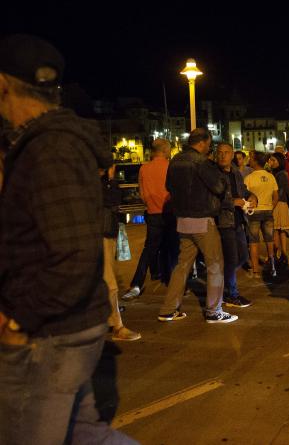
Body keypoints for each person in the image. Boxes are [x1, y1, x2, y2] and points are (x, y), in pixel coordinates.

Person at [0, 34, 135, 443]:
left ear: (3, 85)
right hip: (69, 325)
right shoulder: (51, 144)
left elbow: (73, 252)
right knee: (85, 434)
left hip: (49, 334)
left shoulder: (50, 149)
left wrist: (19, 319)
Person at [158, 127, 238, 324]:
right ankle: (214, 311)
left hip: (182, 220)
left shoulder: (176, 160)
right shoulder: (201, 162)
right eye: (209, 144)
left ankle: (168, 309)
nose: (209, 148)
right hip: (203, 220)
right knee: (215, 264)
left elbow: (168, 186)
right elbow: (219, 186)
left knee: (182, 265)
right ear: (202, 142)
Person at [123, 137, 178, 300]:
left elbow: (141, 194)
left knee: (149, 250)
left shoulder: (143, 169)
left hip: (152, 213)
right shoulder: (171, 167)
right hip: (169, 213)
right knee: (172, 248)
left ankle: (136, 284)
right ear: (165, 150)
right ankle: (173, 282)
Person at [100, 165, 142, 341]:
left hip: (100, 231)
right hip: (99, 232)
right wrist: (110, 180)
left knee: (106, 279)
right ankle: (117, 325)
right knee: (109, 280)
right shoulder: (99, 183)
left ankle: (112, 321)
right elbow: (112, 200)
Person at [216, 142, 256, 307]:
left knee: (242, 257)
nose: (223, 155)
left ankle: (225, 280)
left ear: (232, 155)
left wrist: (252, 197)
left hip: (239, 220)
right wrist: (234, 202)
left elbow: (243, 191)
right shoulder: (214, 174)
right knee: (232, 259)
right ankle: (232, 294)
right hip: (225, 221)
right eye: (220, 152)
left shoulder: (236, 173)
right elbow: (213, 199)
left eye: (226, 152)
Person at [245, 151, 279, 277]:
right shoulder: (271, 176)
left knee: (254, 241)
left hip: (254, 212)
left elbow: (246, 196)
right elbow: (276, 195)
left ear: (255, 161)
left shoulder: (249, 178)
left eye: (251, 158)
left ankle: (255, 270)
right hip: (268, 210)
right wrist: (271, 207)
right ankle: (273, 267)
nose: (249, 160)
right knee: (269, 240)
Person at [269, 151, 289, 269]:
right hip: (280, 203)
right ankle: (281, 254)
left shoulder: (281, 174)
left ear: (280, 161)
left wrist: (273, 205)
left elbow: (281, 192)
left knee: (277, 230)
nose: (271, 162)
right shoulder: (277, 173)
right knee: (280, 230)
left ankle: (279, 254)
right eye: (270, 160)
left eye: (273, 160)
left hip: (278, 203)